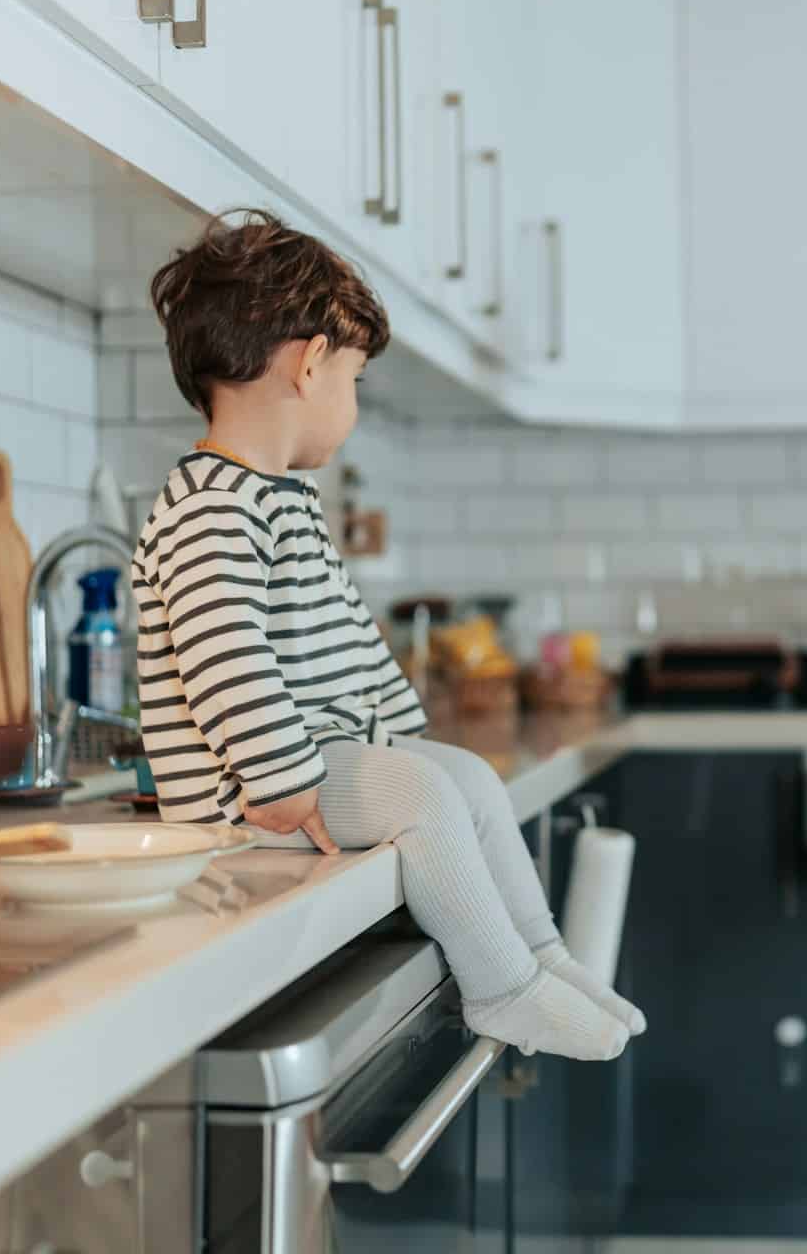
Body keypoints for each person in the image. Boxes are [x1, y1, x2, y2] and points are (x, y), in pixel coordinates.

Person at [131, 210, 644, 1062]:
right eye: (356, 380)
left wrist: (392, 729)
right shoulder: (212, 508)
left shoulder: (271, 496)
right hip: (251, 792)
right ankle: (504, 992)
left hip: (316, 754)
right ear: (310, 364)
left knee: (467, 776)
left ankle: (545, 960)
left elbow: (333, 634)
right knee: (426, 797)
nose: (353, 405)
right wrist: (280, 780)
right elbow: (227, 654)